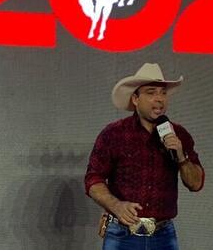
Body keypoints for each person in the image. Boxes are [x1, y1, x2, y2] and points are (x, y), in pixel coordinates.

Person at [85, 63, 205, 249]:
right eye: (151, 92)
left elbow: (196, 183)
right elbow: (93, 179)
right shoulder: (114, 134)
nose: (159, 99)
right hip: (122, 234)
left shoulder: (178, 134)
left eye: (163, 93)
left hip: (163, 235)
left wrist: (182, 157)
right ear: (135, 99)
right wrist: (116, 206)